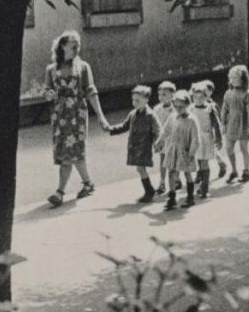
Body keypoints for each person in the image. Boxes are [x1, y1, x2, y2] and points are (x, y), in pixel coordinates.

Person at [44, 30, 110, 207]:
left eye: (78, 45)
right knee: (66, 152)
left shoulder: (83, 67)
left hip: (77, 114)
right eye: (73, 45)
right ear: (62, 46)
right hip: (59, 116)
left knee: (74, 151)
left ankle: (60, 192)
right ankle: (87, 183)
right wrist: (49, 95)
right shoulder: (51, 70)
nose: (77, 49)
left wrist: (101, 117)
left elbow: (91, 91)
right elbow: (47, 92)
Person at [108, 84, 161, 203]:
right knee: (140, 168)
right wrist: (111, 129)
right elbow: (124, 126)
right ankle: (149, 190)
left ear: (146, 99)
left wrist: (157, 142)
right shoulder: (133, 113)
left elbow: (158, 130)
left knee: (141, 168)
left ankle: (149, 191)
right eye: (133, 100)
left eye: (138, 100)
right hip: (134, 147)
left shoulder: (150, 115)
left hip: (144, 147)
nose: (134, 102)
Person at [160, 90, 200, 210]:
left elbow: (195, 139)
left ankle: (190, 197)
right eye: (175, 106)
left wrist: (192, 153)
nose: (178, 109)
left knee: (187, 172)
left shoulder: (192, 120)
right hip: (173, 149)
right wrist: (159, 141)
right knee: (171, 172)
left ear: (188, 105)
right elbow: (165, 130)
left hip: (185, 151)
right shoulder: (173, 117)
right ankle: (172, 197)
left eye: (181, 107)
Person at [220, 64, 249, 182]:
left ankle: (246, 170)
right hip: (231, 124)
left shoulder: (247, 94)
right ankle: (234, 170)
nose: (233, 80)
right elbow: (224, 109)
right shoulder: (228, 93)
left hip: (243, 124)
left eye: (236, 77)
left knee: (243, 148)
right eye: (231, 78)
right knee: (229, 148)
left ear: (243, 79)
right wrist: (223, 124)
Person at [190, 82, 223, 198]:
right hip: (195, 139)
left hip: (206, 138)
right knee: (199, 161)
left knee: (204, 162)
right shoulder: (191, 109)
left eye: (201, 97)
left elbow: (216, 124)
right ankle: (202, 183)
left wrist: (219, 138)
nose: (198, 99)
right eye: (195, 97)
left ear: (206, 97)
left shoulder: (210, 109)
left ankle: (205, 188)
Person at [153, 80, 176, 194]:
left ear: (172, 95)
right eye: (160, 94)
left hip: (174, 140)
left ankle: (177, 179)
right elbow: (154, 124)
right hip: (162, 140)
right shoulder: (157, 109)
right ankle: (162, 182)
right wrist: (156, 139)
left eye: (164, 94)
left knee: (175, 161)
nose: (161, 97)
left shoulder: (176, 108)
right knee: (163, 161)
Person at [203, 79, 228, 179]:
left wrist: (218, 135)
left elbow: (217, 121)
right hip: (200, 131)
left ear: (210, 92)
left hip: (209, 131)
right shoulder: (197, 103)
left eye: (206, 91)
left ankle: (221, 163)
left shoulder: (212, 105)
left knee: (211, 150)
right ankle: (200, 173)